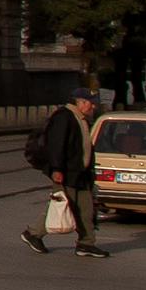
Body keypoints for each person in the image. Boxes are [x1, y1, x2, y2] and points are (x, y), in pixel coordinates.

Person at [23, 89, 107, 259]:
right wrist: (57, 169)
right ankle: (33, 234)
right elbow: (57, 145)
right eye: (91, 102)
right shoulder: (64, 117)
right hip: (66, 172)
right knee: (61, 206)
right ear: (81, 102)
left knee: (85, 208)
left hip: (80, 173)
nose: (93, 106)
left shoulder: (80, 118)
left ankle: (86, 243)